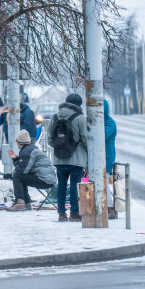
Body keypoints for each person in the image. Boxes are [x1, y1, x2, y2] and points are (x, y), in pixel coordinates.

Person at [48, 93, 88, 222]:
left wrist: (60, 146)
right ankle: (74, 213)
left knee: (61, 186)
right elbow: (85, 139)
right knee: (75, 186)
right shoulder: (80, 118)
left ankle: (61, 213)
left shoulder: (55, 117)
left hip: (59, 159)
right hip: (76, 159)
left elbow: (50, 140)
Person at [6, 130, 57, 211]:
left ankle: (20, 203)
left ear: (20, 142)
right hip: (48, 179)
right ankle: (26, 203)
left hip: (44, 180)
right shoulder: (30, 149)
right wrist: (15, 158)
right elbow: (24, 168)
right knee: (21, 177)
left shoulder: (27, 152)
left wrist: (17, 162)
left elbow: (23, 170)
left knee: (16, 175)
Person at [104, 100, 118, 220]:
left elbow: (101, 135)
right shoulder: (102, 122)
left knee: (103, 182)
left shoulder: (109, 123)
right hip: (98, 156)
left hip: (106, 156)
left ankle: (110, 208)